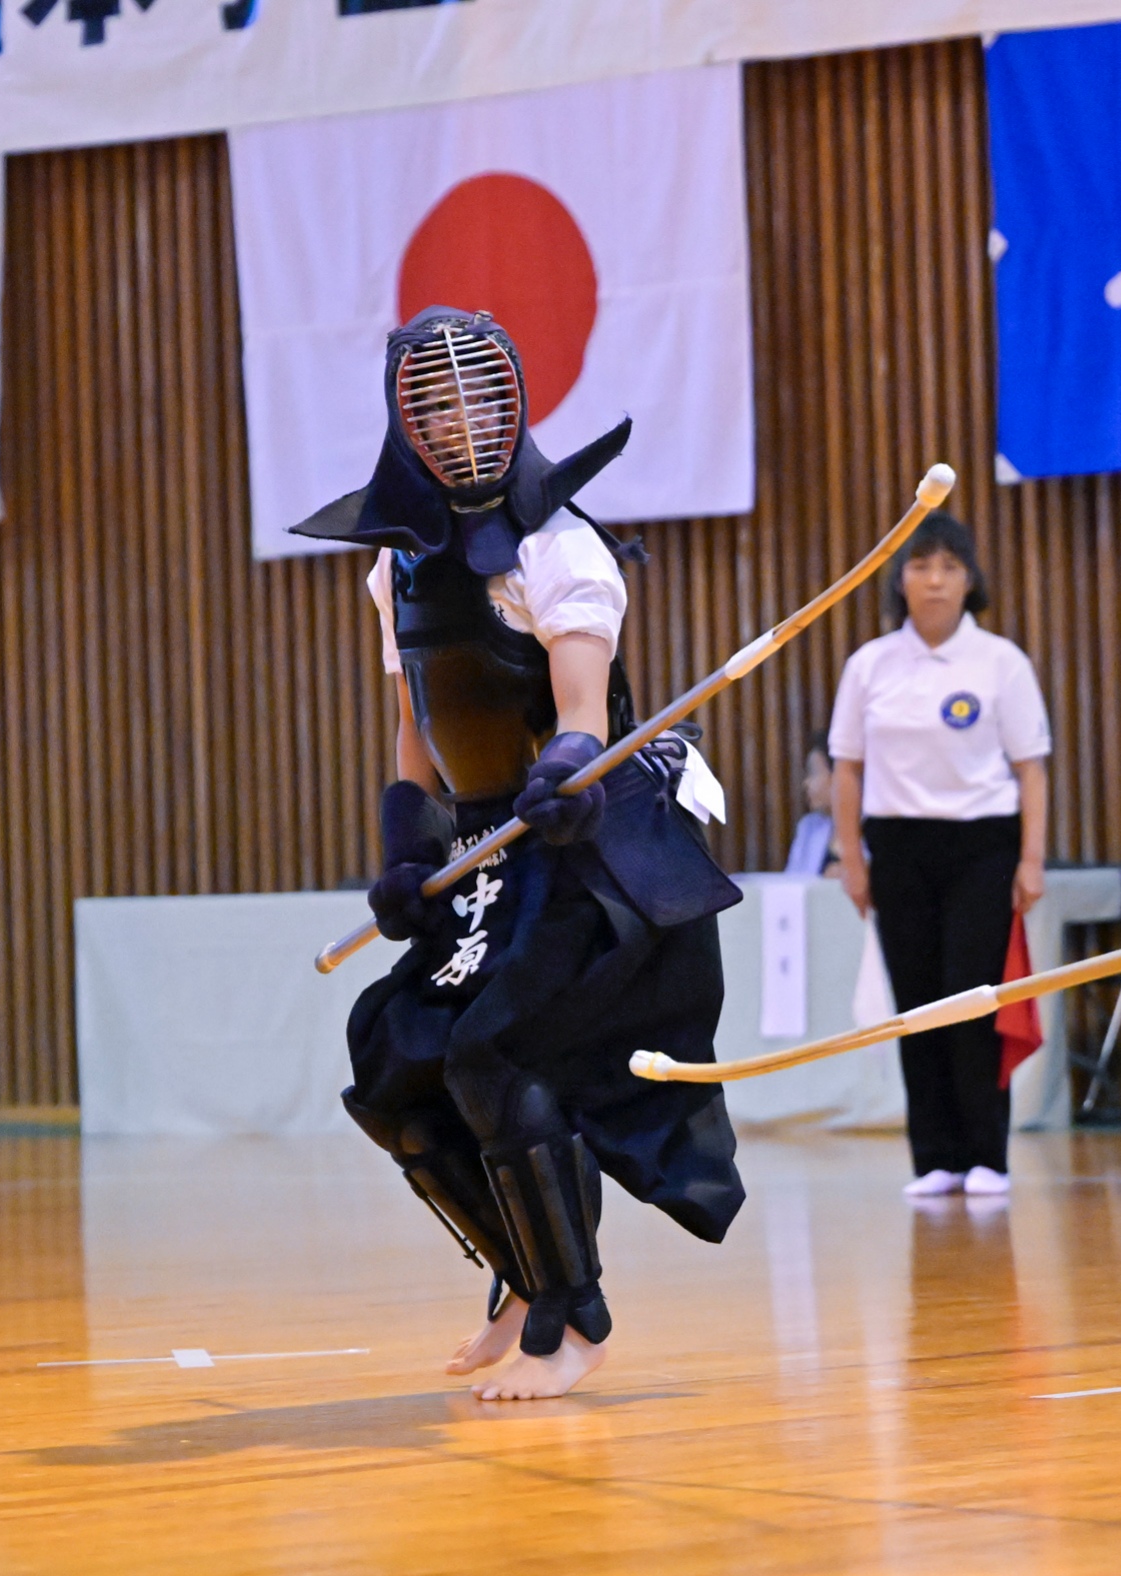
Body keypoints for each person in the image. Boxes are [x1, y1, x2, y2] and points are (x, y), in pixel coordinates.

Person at [295, 307, 745, 1401]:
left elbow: (582, 709)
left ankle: (571, 1314)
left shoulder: (560, 546)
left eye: (479, 397)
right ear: (407, 423)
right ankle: (517, 1268)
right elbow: (419, 725)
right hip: (488, 846)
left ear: (513, 406)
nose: (462, 422)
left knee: (494, 1053)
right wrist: (408, 846)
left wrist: (566, 775)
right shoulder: (398, 565)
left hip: (590, 837)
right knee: (391, 1056)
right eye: (437, 404)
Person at [827, 513, 1050, 1199]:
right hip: (897, 847)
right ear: (900, 578)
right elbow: (846, 770)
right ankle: (933, 1159)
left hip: (982, 845)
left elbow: (1031, 768)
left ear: (969, 579)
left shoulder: (1000, 662)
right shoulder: (869, 665)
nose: (934, 580)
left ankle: (986, 1155)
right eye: (921, 565)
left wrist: (1031, 859)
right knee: (915, 1002)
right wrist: (852, 861)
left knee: (971, 996)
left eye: (949, 567)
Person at [783, 731, 841, 877]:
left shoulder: (872, 827)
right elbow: (791, 882)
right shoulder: (808, 827)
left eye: (813, 773)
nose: (806, 783)